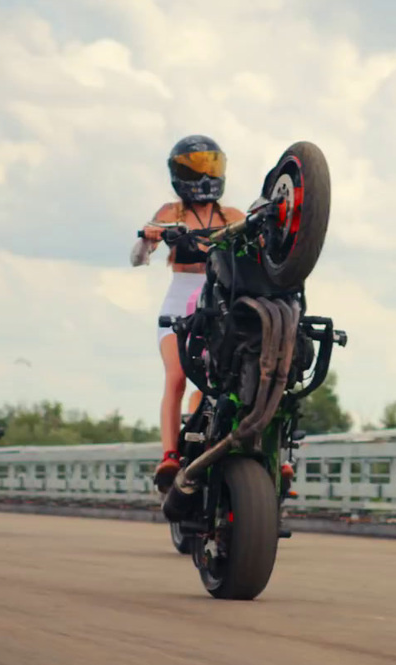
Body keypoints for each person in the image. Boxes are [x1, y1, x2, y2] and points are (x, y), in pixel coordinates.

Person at [130, 135, 245, 491]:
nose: (204, 176)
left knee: (231, 376)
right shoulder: (168, 214)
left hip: (220, 302)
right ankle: (168, 455)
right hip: (182, 301)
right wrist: (149, 239)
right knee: (178, 375)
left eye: (209, 165)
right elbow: (137, 259)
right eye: (195, 167)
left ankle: (253, 450)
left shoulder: (236, 216)